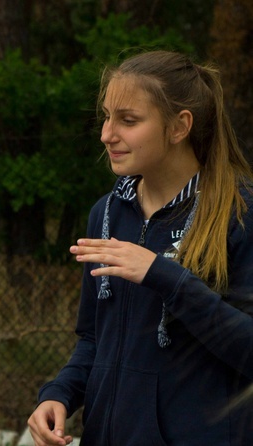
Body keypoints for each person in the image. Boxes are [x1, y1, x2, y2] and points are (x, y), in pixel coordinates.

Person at [27, 50, 253, 446]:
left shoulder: (240, 214)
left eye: (128, 121)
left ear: (179, 126)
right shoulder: (107, 213)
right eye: (106, 116)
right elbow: (95, 339)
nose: (107, 134)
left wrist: (165, 277)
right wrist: (60, 394)